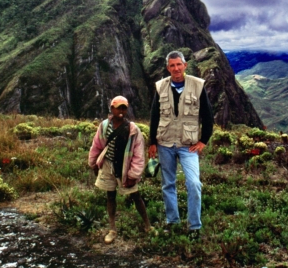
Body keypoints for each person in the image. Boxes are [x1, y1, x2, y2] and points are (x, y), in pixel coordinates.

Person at [148, 50, 214, 233]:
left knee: (194, 184)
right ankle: (172, 222)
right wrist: (152, 142)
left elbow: (208, 115)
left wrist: (203, 141)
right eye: (172, 65)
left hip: (188, 145)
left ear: (185, 65)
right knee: (168, 184)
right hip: (165, 143)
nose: (176, 68)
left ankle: (194, 227)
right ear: (168, 68)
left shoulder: (197, 86)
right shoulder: (160, 87)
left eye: (179, 64)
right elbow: (154, 116)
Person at [88, 95, 151, 244]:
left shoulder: (132, 129)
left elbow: (138, 153)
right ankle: (112, 229)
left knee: (135, 195)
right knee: (110, 196)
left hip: (125, 166)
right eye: (118, 108)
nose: (121, 111)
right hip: (108, 165)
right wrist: (93, 163)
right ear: (112, 109)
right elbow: (97, 145)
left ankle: (148, 225)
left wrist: (134, 174)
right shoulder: (104, 126)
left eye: (124, 108)